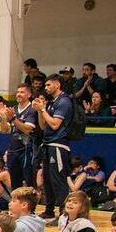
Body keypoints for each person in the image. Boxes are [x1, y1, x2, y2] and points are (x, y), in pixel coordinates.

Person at [33, 73, 74, 220]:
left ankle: (64, 214)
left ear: (57, 84)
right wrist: (40, 110)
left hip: (58, 145)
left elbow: (55, 124)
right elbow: (43, 126)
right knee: (48, 180)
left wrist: (43, 110)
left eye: (48, 85)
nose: (46, 87)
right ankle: (49, 210)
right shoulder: (52, 102)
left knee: (58, 180)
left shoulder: (64, 101)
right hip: (48, 144)